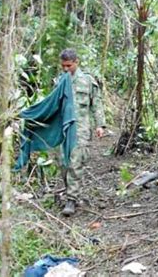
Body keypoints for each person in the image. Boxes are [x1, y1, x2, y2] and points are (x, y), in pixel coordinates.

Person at [60, 49, 106, 216]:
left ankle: (71, 199)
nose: (66, 69)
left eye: (69, 65)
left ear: (76, 62)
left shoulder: (87, 81)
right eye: (63, 66)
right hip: (64, 130)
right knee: (64, 164)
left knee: (76, 163)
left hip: (81, 129)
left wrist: (100, 125)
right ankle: (70, 192)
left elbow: (97, 104)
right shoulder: (60, 81)